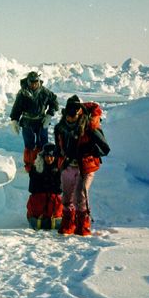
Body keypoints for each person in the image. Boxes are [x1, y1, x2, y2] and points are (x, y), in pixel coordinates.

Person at [54, 95, 110, 236]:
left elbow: (105, 148)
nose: (70, 118)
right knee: (66, 198)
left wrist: (89, 150)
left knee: (79, 195)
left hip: (85, 166)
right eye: (68, 115)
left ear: (79, 113)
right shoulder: (60, 128)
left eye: (73, 116)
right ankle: (68, 225)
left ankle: (83, 227)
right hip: (68, 165)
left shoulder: (89, 127)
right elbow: (58, 147)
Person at [9, 71, 59, 172]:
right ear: (28, 81)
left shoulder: (44, 92)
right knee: (29, 145)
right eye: (31, 82)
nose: (34, 84)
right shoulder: (22, 93)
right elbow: (16, 108)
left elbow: (54, 102)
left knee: (42, 145)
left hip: (41, 122)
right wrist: (14, 120)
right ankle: (29, 165)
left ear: (39, 81)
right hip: (27, 122)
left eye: (36, 81)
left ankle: (42, 165)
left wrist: (49, 114)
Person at [26, 143, 63, 230]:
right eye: (47, 156)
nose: (49, 158)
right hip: (39, 198)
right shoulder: (36, 168)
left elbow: (60, 189)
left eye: (51, 156)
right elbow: (32, 188)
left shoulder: (59, 169)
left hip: (53, 199)